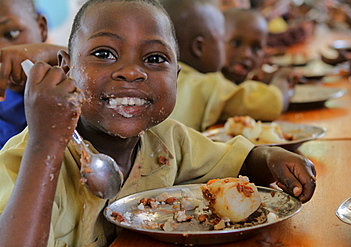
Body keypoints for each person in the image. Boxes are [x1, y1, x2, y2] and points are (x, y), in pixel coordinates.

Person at [0, 0, 316, 246]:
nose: (131, 72)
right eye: (104, 53)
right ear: (67, 69)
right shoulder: (26, 155)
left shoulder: (169, 141)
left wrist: (271, 158)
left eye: (154, 59)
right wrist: (46, 143)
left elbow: (237, 163)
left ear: (177, 76)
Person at [160, 0, 291, 132]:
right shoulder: (209, 85)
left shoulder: (163, 78)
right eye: (221, 40)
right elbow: (272, 103)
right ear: (199, 48)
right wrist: (281, 79)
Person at [0, 0, 66, 148]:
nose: (3, 51)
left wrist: (49, 52)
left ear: (41, 28)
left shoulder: (74, 80)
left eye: (12, 34)